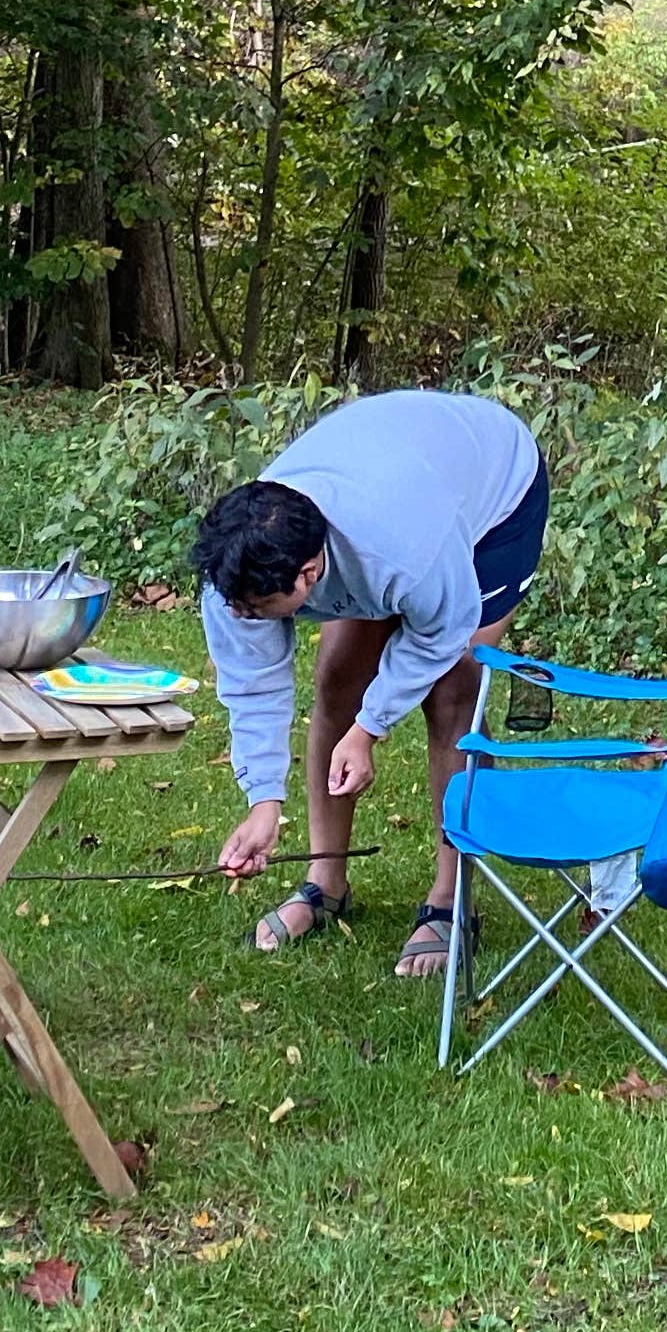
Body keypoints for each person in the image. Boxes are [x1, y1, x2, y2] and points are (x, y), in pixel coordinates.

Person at [195, 389, 547, 975]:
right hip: (394, 474)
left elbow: (440, 634)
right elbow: (253, 687)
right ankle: (325, 881)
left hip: (496, 488)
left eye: (255, 608)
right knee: (338, 681)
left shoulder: (405, 551)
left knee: (453, 689)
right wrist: (263, 802)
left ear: (309, 574)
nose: (240, 616)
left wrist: (370, 729)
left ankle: (451, 898)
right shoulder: (235, 578)